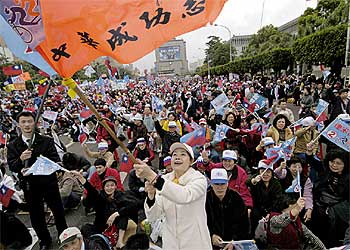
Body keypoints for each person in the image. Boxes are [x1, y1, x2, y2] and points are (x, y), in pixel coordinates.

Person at [7, 111, 67, 250]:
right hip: (29, 186)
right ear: (19, 124)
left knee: (58, 211)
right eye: (23, 122)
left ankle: (63, 236)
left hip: (49, 183)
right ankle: (45, 240)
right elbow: (12, 166)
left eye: (29, 121)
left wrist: (41, 163)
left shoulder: (46, 140)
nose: (27, 125)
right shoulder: (13, 145)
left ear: (35, 123)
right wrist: (21, 160)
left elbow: (55, 160)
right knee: (36, 215)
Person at [134, 142, 212, 250]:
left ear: (191, 161)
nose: (177, 157)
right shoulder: (165, 179)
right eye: (174, 155)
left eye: (183, 154)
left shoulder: (199, 179)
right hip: (171, 243)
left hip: (195, 242)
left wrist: (152, 176)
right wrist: (151, 195)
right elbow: (153, 216)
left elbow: (184, 196)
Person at [72, 173, 138, 249]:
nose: (110, 188)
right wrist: (81, 179)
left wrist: (116, 213)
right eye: (107, 186)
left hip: (116, 224)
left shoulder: (120, 195)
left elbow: (133, 204)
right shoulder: (100, 197)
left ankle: (119, 242)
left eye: (112, 185)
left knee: (123, 215)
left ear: (115, 186)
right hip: (101, 225)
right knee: (85, 228)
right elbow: (91, 190)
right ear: (104, 187)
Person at [206, 168, 249, 250]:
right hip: (210, 243)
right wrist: (211, 236)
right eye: (216, 184)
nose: (220, 187)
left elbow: (244, 224)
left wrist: (234, 241)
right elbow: (201, 223)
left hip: (233, 243)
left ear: (227, 183)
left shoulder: (236, 198)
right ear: (211, 184)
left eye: (222, 184)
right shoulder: (205, 200)